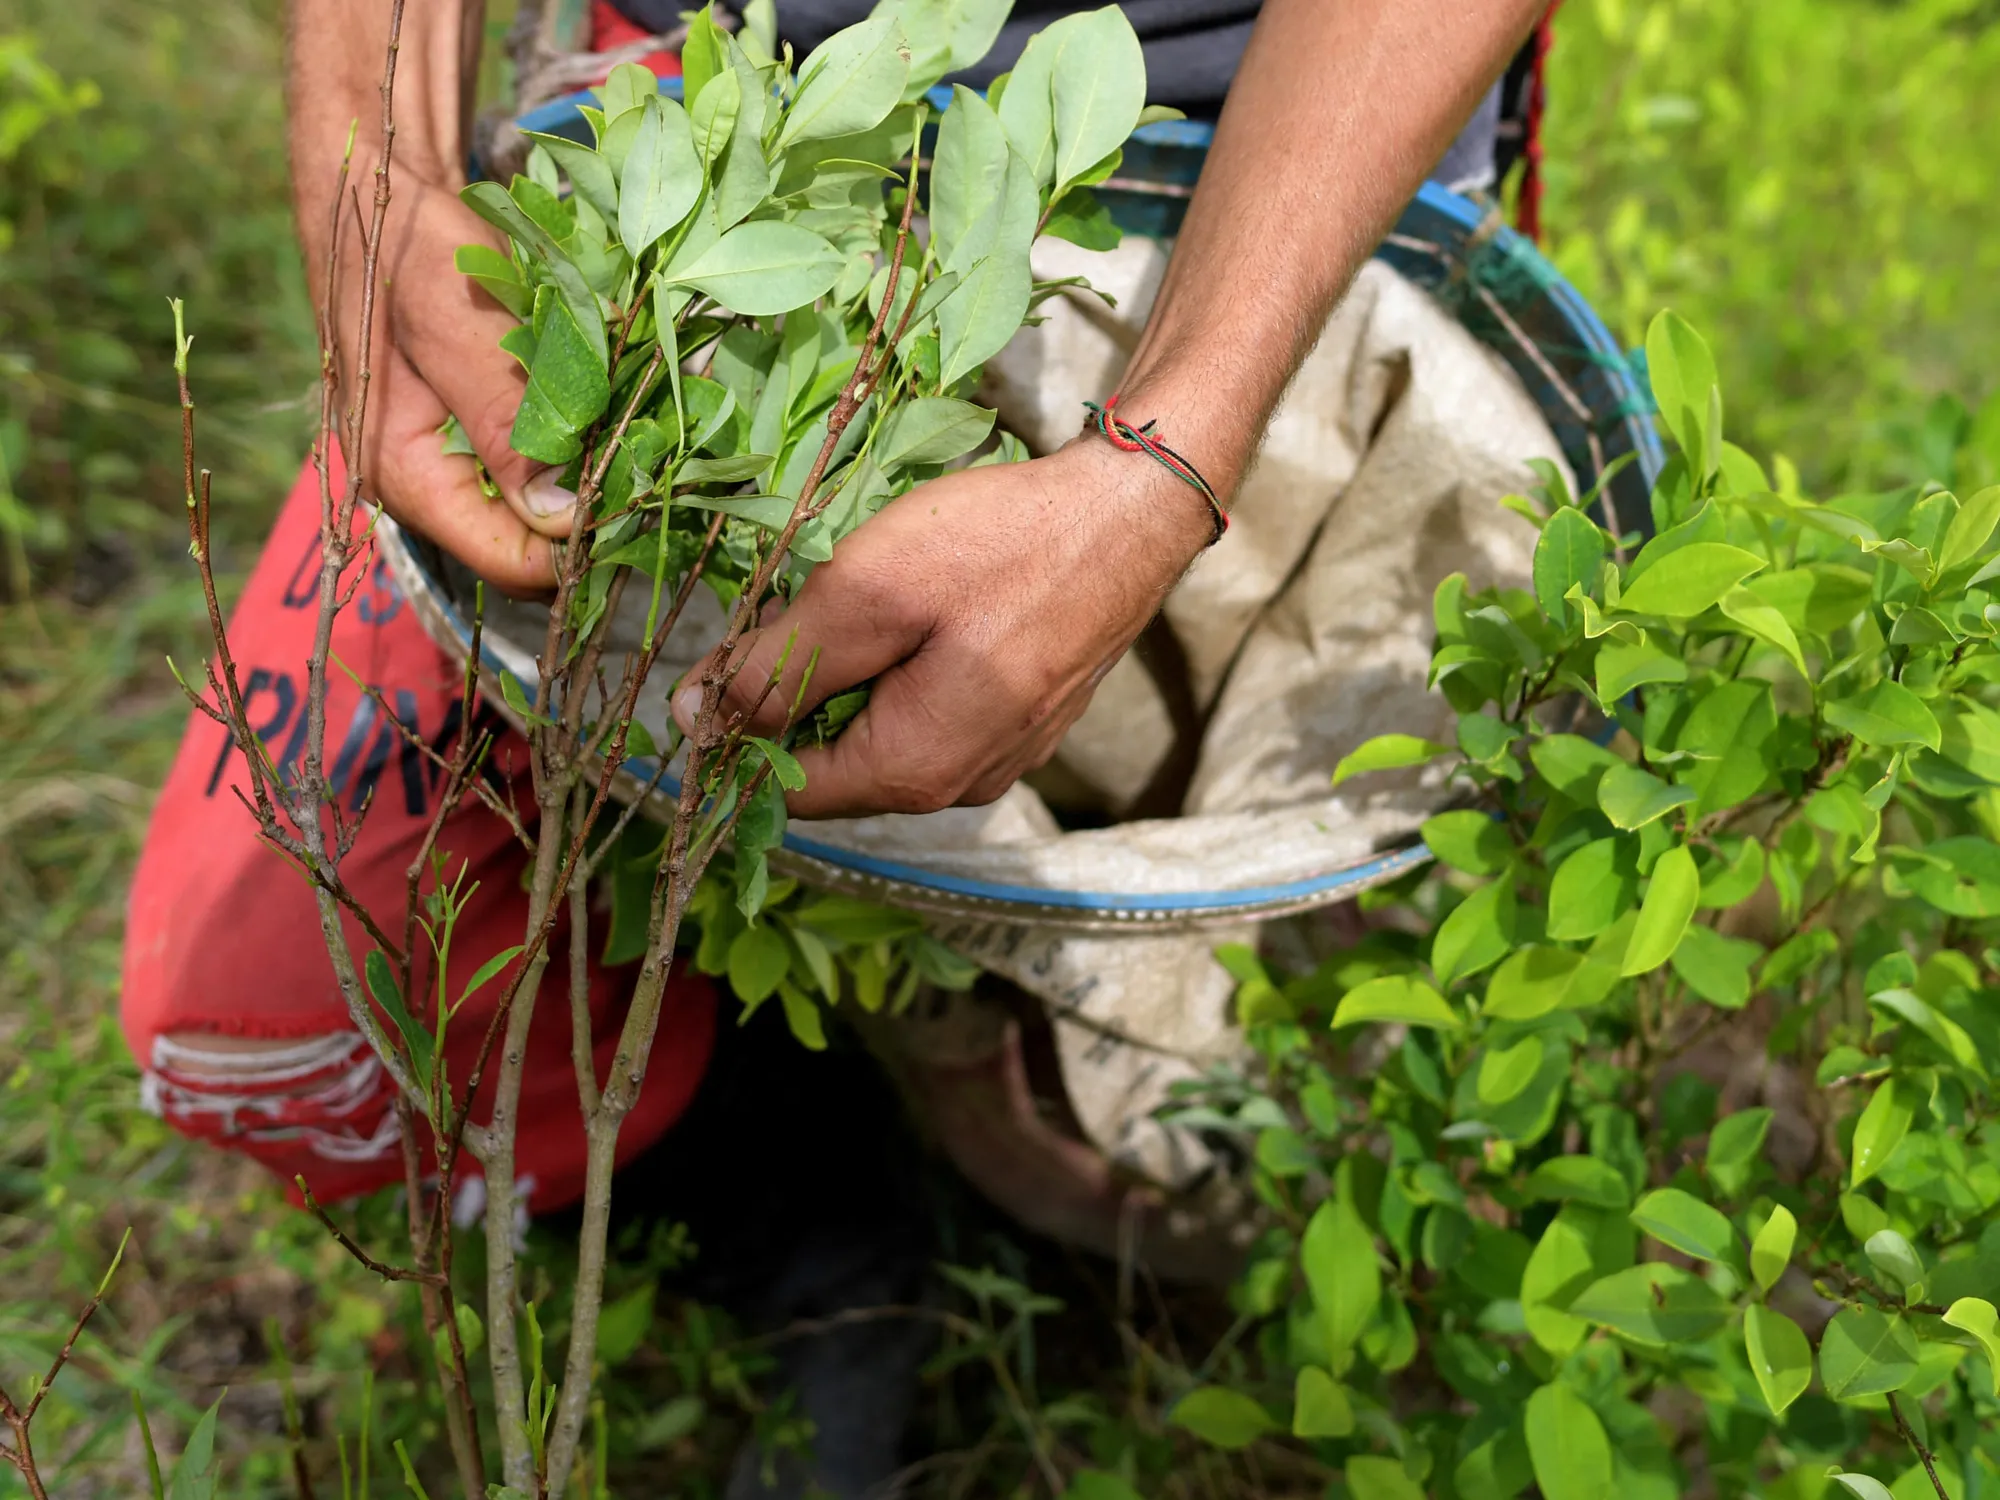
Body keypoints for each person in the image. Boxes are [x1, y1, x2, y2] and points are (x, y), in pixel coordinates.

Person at [121, 0, 1551, 1492]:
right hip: (706, 125)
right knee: (268, 1027)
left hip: (1257, 146)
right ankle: (825, 1242)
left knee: (1246, 1087)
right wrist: (378, 171)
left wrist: (1171, 450)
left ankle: (1005, 1127)